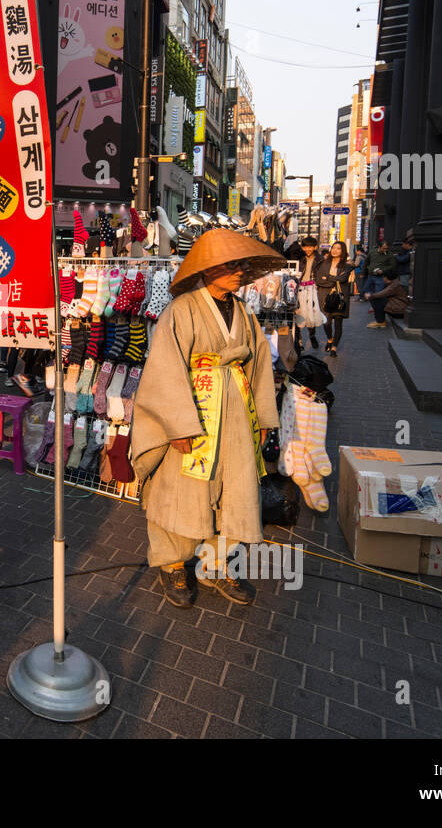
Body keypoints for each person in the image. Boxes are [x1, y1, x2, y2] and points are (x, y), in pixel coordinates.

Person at [130, 230, 282, 609]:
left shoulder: (245, 312)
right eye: (231, 265)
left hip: (237, 415)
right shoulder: (180, 311)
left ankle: (219, 565)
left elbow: (260, 363)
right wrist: (177, 426)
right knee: (181, 493)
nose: (240, 272)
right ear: (207, 269)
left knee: (234, 489)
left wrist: (262, 416)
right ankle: (173, 563)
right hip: (194, 416)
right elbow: (165, 368)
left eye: (242, 265)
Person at [315, 240, 355, 357]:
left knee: (338, 323)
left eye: (338, 248)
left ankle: (334, 347)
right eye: (333, 248)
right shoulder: (323, 263)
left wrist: (327, 277)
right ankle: (330, 338)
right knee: (326, 322)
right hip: (325, 296)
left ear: (343, 251)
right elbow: (319, 280)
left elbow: (342, 279)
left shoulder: (347, 266)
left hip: (340, 297)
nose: (335, 250)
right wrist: (334, 278)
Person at [295, 236, 322, 352]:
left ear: (315, 247)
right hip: (300, 288)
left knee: (312, 313)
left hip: (313, 289)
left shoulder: (320, 260)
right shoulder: (301, 259)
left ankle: (312, 335)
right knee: (299, 314)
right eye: (305, 247)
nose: (307, 249)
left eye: (310, 247)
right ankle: (299, 341)